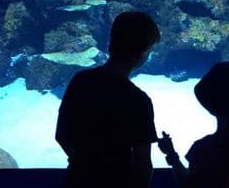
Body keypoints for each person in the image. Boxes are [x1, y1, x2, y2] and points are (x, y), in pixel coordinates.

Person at [56, 10, 161, 187]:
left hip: (77, 179)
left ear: (111, 42)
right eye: (149, 50)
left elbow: (62, 135)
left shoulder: (80, 81)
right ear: (140, 54)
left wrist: (84, 164)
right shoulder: (138, 101)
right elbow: (143, 165)